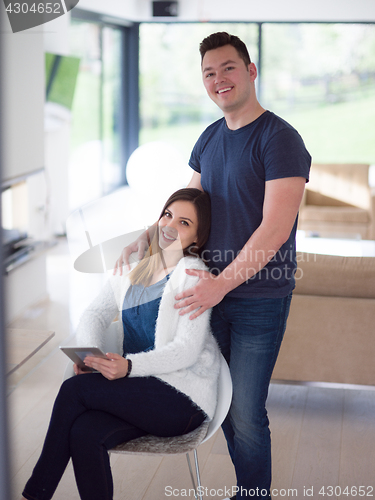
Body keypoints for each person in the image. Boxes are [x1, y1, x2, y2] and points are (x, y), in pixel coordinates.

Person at [114, 33, 311, 499]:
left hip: (257, 300)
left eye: (227, 68)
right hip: (207, 292)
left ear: (250, 70)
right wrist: (145, 238)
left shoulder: (280, 139)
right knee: (220, 401)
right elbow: (189, 205)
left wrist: (219, 287)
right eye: (209, 72)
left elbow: (274, 229)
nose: (218, 79)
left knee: (246, 410)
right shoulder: (210, 136)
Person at [21, 188, 221, 500]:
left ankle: (36, 493)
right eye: (167, 215)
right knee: (84, 432)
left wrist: (129, 367)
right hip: (136, 391)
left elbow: (186, 350)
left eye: (184, 223)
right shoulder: (134, 265)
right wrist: (90, 356)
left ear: (197, 237)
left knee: (75, 389)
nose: (169, 226)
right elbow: (95, 313)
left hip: (181, 399)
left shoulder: (193, 275)